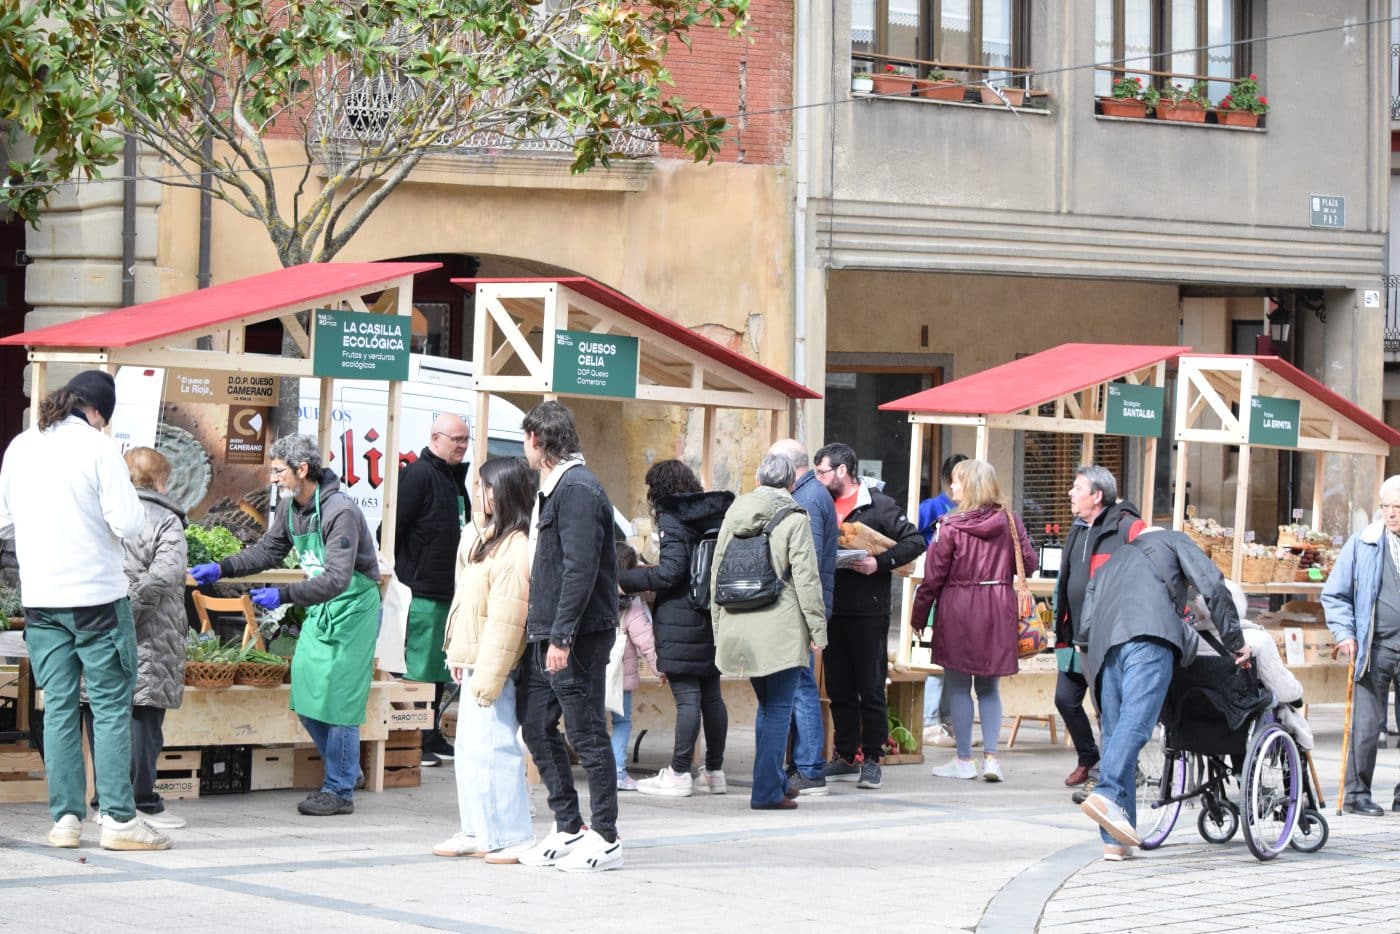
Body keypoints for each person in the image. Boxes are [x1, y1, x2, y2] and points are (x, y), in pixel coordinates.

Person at [0, 371, 171, 851]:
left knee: (57, 709)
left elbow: (5, 522)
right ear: (98, 413)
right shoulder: (100, 449)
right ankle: (118, 820)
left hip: (41, 600)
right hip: (97, 598)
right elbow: (129, 521)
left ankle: (66, 821)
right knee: (110, 707)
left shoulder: (20, 447)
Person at [190, 434, 381, 817]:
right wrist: (223, 567)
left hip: (353, 610)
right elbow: (267, 551)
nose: (273, 479)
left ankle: (339, 790)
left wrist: (284, 596)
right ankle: (347, 769)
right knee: (306, 689)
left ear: (302, 470)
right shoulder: (291, 509)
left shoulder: (338, 511)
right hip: (322, 609)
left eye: (278, 471)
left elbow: (338, 579)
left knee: (340, 699)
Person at [1078, 526, 1249, 861]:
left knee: (1115, 732)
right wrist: (1235, 640)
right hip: (1149, 636)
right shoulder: (1174, 539)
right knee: (1137, 725)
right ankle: (1107, 792)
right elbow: (1213, 584)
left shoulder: (1112, 561)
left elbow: (1084, 629)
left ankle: (1115, 839)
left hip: (1103, 648)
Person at [514, 401, 623, 873]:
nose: (525, 450)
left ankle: (606, 835)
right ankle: (568, 826)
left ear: (538, 440)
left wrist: (561, 637)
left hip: (575, 635)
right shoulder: (555, 487)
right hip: (549, 629)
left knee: (586, 732)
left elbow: (579, 569)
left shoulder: (577, 489)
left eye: (526, 441)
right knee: (535, 724)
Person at [712, 453, 828, 810]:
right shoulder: (794, 518)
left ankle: (773, 781)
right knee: (778, 708)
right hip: (780, 627)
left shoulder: (734, 513)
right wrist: (818, 632)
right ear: (792, 483)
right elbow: (807, 579)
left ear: (759, 480)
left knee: (767, 706)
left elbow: (717, 570)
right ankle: (766, 792)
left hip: (738, 624)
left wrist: (719, 627)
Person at [434, 456, 536, 862]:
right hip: (473, 660)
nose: (478, 494)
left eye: (486, 487)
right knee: (471, 753)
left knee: (496, 752)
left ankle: (511, 834)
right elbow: (466, 601)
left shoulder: (516, 547)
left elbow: (507, 620)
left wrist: (490, 678)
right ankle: (477, 830)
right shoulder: (483, 537)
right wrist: (456, 653)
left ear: (506, 492)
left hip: (495, 668)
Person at [83, 447, 190, 831]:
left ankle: (104, 801)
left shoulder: (102, 515)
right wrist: (129, 614)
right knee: (144, 717)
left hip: (98, 625)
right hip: (150, 635)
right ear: (161, 480)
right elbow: (167, 573)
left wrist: (113, 612)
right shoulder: (166, 520)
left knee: (103, 711)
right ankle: (142, 801)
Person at [912, 459, 1036, 782]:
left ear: (968, 486)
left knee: (958, 686)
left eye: (956, 482)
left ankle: (964, 760)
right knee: (989, 687)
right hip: (998, 607)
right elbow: (1030, 563)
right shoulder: (1010, 521)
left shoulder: (950, 526)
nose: (952, 487)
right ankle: (992, 759)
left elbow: (933, 577)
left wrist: (919, 615)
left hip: (958, 608)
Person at [619, 459, 733, 798]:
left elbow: (671, 572)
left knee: (687, 698)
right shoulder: (710, 512)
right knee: (711, 695)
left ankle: (680, 772)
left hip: (680, 615)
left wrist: (624, 580)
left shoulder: (672, 515)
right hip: (710, 613)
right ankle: (714, 771)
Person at [814, 442, 924, 790]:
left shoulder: (878, 505)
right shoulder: (821, 504)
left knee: (870, 686)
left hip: (868, 610)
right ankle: (845, 755)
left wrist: (879, 563)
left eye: (823, 471)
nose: (819, 478)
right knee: (839, 686)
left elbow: (915, 540)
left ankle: (873, 759)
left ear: (843, 471)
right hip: (832, 609)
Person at [1054, 466, 1144, 793]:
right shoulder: (1078, 528)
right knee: (1065, 699)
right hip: (1074, 633)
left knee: (1108, 709)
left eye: (1077, 488)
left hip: (1104, 638)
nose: (1070, 494)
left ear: (1097, 495)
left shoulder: (1125, 528)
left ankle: (1119, 771)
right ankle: (1089, 758)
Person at [395, 413, 471, 767]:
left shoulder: (456, 479)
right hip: (422, 589)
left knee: (441, 667)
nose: (462, 445)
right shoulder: (417, 475)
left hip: (450, 590)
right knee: (420, 669)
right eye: (456, 439)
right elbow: (392, 528)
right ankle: (415, 737)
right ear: (435, 438)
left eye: (465, 439)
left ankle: (433, 731)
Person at [1323, 475, 1400, 817]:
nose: (1392, 514)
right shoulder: (1363, 543)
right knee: (1367, 725)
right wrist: (1345, 634)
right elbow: (1335, 594)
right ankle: (1357, 794)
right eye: (1386, 507)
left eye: (1398, 508)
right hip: (1375, 646)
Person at [768, 439, 836, 797]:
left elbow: (804, 567)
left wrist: (812, 620)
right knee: (798, 685)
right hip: (803, 608)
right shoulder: (812, 493)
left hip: (798, 609)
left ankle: (809, 768)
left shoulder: (807, 498)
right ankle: (802, 764)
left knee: (800, 686)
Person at [610, 543, 660, 791]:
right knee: (621, 722)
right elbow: (646, 643)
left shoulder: (591, 594)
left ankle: (599, 772)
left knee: (593, 723)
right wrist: (658, 668)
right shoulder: (632, 605)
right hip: (620, 676)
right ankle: (616, 772)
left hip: (590, 672)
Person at [917, 453, 969, 546]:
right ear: (948, 480)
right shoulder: (929, 507)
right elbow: (906, 537)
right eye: (961, 480)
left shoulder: (975, 508)